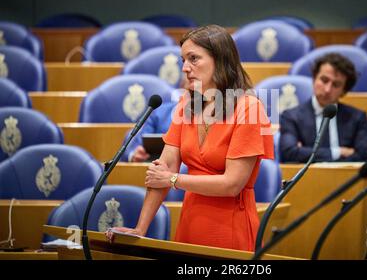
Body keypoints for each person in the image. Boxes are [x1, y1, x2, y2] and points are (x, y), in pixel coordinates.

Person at [107, 25, 274, 251]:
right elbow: (162, 170)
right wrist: (140, 228)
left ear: (220, 60)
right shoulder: (188, 103)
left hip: (231, 230)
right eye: (183, 60)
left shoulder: (249, 108)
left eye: (194, 59)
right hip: (190, 223)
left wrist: (174, 180)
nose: (185, 68)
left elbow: (232, 184)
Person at [279, 53, 367, 259]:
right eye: (323, 80)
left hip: (349, 189)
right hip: (308, 188)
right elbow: (290, 153)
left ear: (344, 90)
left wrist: (307, 151)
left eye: (336, 84)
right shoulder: (292, 116)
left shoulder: (357, 117)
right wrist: (340, 152)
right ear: (314, 79)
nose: (327, 89)